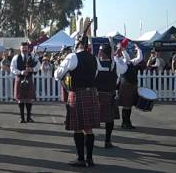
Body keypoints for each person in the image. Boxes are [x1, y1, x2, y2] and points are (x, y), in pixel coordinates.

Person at [54, 34, 100, 167]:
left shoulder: (72, 56)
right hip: (90, 93)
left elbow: (57, 75)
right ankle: (90, 159)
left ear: (78, 43)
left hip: (77, 93)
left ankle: (81, 159)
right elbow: (95, 75)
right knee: (89, 129)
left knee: (78, 129)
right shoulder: (94, 58)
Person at [95, 43, 127, 148]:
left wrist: (115, 58)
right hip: (107, 95)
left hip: (100, 95)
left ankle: (102, 141)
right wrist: (116, 58)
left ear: (103, 53)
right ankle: (107, 141)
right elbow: (124, 69)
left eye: (100, 51)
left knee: (102, 119)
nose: (99, 53)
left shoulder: (97, 64)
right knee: (109, 120)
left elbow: (124, 69)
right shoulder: (114, 64)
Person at [10, 42, 40, 123]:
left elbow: (38, 66)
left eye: (26, 48)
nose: (24, 50)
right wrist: (21, 72)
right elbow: (12, 68)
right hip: (19, 79)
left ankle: (29, 117)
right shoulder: (16, 57)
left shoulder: (33, 56)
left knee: (29, 99)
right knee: (20, 99)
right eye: (23, 48)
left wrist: (32, 69)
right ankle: (22, 118)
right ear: (20, 48)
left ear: (28, 49)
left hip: (29, 78)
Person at [118, 42, 143, 129]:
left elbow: (140, 58)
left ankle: (127, 122)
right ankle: (125, 123)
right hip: (126, 85)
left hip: (131, 85)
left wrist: (138, 48)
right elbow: (127, 58)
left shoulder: (131, 62)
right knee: (126, 105)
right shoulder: (121, 63)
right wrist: (122, 50)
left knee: (129, 106)